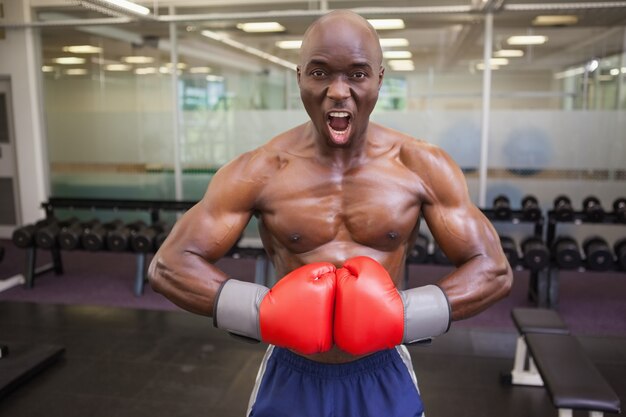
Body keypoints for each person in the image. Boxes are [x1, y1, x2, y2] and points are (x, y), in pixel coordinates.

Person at [148, 9, 513, 417]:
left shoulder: (420, 165)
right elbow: (169, 267)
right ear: (299, 77)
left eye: (356, 74)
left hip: (383, 368)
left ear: (379, 78)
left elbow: (493, 270)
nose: (338, 91)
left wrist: (403, 318)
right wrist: (262, 314)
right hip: (291, 369)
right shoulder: (260, 170)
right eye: (320, 73)